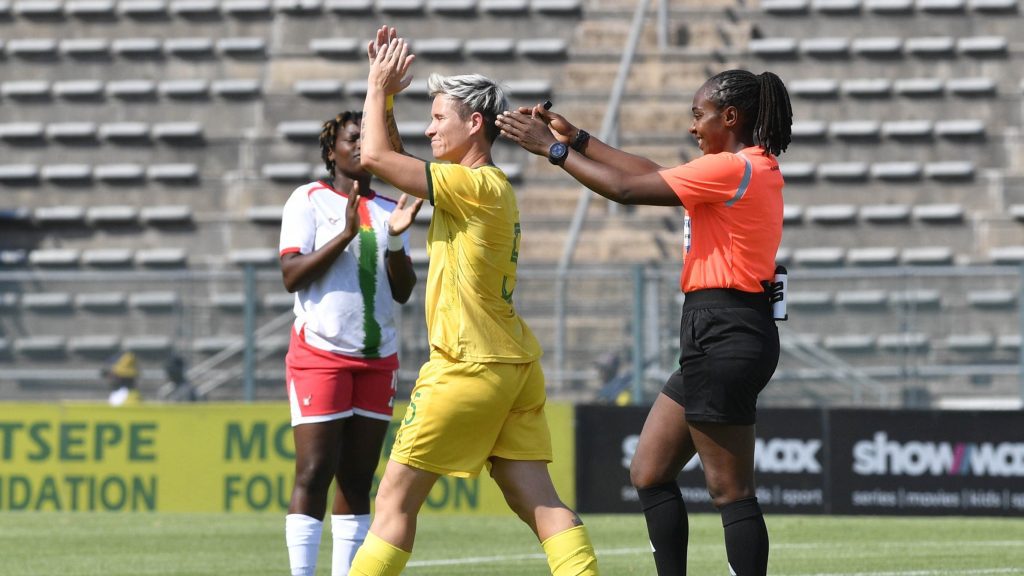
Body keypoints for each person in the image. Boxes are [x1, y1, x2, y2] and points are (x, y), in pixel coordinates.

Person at [496, 69, 792, 575]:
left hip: (725, 332)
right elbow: (650, 171)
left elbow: (628, 190)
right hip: (719, 330)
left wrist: (554, 150)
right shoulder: (742, 168)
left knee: (730, 491)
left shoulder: (731, 169)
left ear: (730, 116)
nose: (693, 127)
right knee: (650, 472)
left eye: (698, 116)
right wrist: (580, 139)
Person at [348, 26, 600, 576]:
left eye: (439, 118)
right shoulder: (482, 186)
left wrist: (374, 86)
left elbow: (372, 157)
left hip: (466, 365)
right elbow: (395, 157)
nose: (429, 128)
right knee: (538, 502)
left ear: (475, 124)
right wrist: (388, 99)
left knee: (392, 504)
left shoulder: (474, 185)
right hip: (512, 365)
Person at [278, 104, 423, 576]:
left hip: (377, 359)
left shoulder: (387, 208)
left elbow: (402, 290)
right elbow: (292, 275)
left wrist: (398, 241)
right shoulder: (308, 199)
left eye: (367, 137)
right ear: (331, 151)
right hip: (320, 355)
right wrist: (344, 233)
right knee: (315, 472)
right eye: (352, 138)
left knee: (358, 480)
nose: (361, 145)